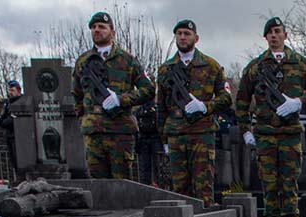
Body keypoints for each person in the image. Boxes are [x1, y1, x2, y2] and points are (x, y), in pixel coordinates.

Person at [236, 17, 306, 217]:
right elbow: (242, 102)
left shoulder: (301, 63)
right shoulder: (255, 67)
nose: (274, 36)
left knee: (289, 183)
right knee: (269, 184)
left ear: (285, 35)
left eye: (278, 31)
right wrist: (246, 130)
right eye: (270, 33)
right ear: (265, 38)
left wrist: (299, 101)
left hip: (290, 134)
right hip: (265, 133)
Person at [71, 11, 155, 180]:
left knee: (121, 183)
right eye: (93, 27)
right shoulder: (83, 61)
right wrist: (85, 119)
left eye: (102, 27)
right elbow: (77, 94)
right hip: (94, 132)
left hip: (120, 130)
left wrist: (121, 100)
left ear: (112, 32)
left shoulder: (127, 60)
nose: (97, 30)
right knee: (98, 184)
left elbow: (148, 90)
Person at [157, 19, 232, 206]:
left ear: (196, 38)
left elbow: (226, 97)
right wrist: (164, 139)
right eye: (179, 34)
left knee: (204, 185)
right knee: (179, 188)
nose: (182, 37)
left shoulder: (211, 65)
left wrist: (206, 106)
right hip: (176, 133)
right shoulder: (166, 69)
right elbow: (161, 107)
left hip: (202, 132)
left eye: (187, 34)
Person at [134, 100, 162, 186]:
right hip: (143, 139)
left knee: (158, 165)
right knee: (144, 166)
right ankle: (145, 185)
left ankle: (159, 184)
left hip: (156, 138)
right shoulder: (139, 111)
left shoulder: (157, 109)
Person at [0, 80, 22, 170]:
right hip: (9, 135)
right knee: (13, 160)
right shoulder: (7, 103)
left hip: (18, 136)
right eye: (9, 90)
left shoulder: (21, 102)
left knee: (20, 159)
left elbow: (13, 120)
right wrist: (2, 122)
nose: (10, 92)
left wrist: (5, 122)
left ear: (19, 91)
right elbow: (0, 118)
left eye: (12, 90)